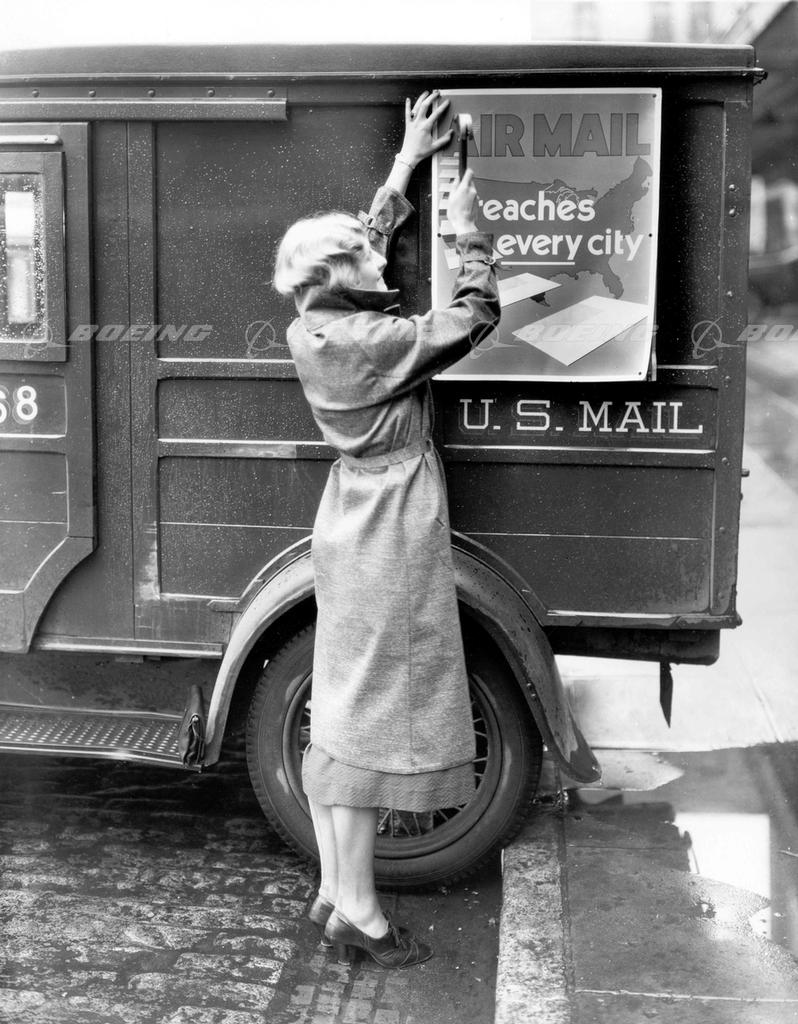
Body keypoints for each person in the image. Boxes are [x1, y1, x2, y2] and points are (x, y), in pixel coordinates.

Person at [273, 90, 500, 968]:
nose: (381, 253)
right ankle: (362, 913)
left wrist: (408, 164)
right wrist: (467, 228)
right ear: (343, 277)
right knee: (371, 727)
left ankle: (337, 892)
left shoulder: (315, 325)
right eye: (367, 254)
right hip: (393, 527)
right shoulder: (376, 341)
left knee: (342, 714)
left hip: (349, 519)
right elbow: (476, 313)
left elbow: (353, 249)